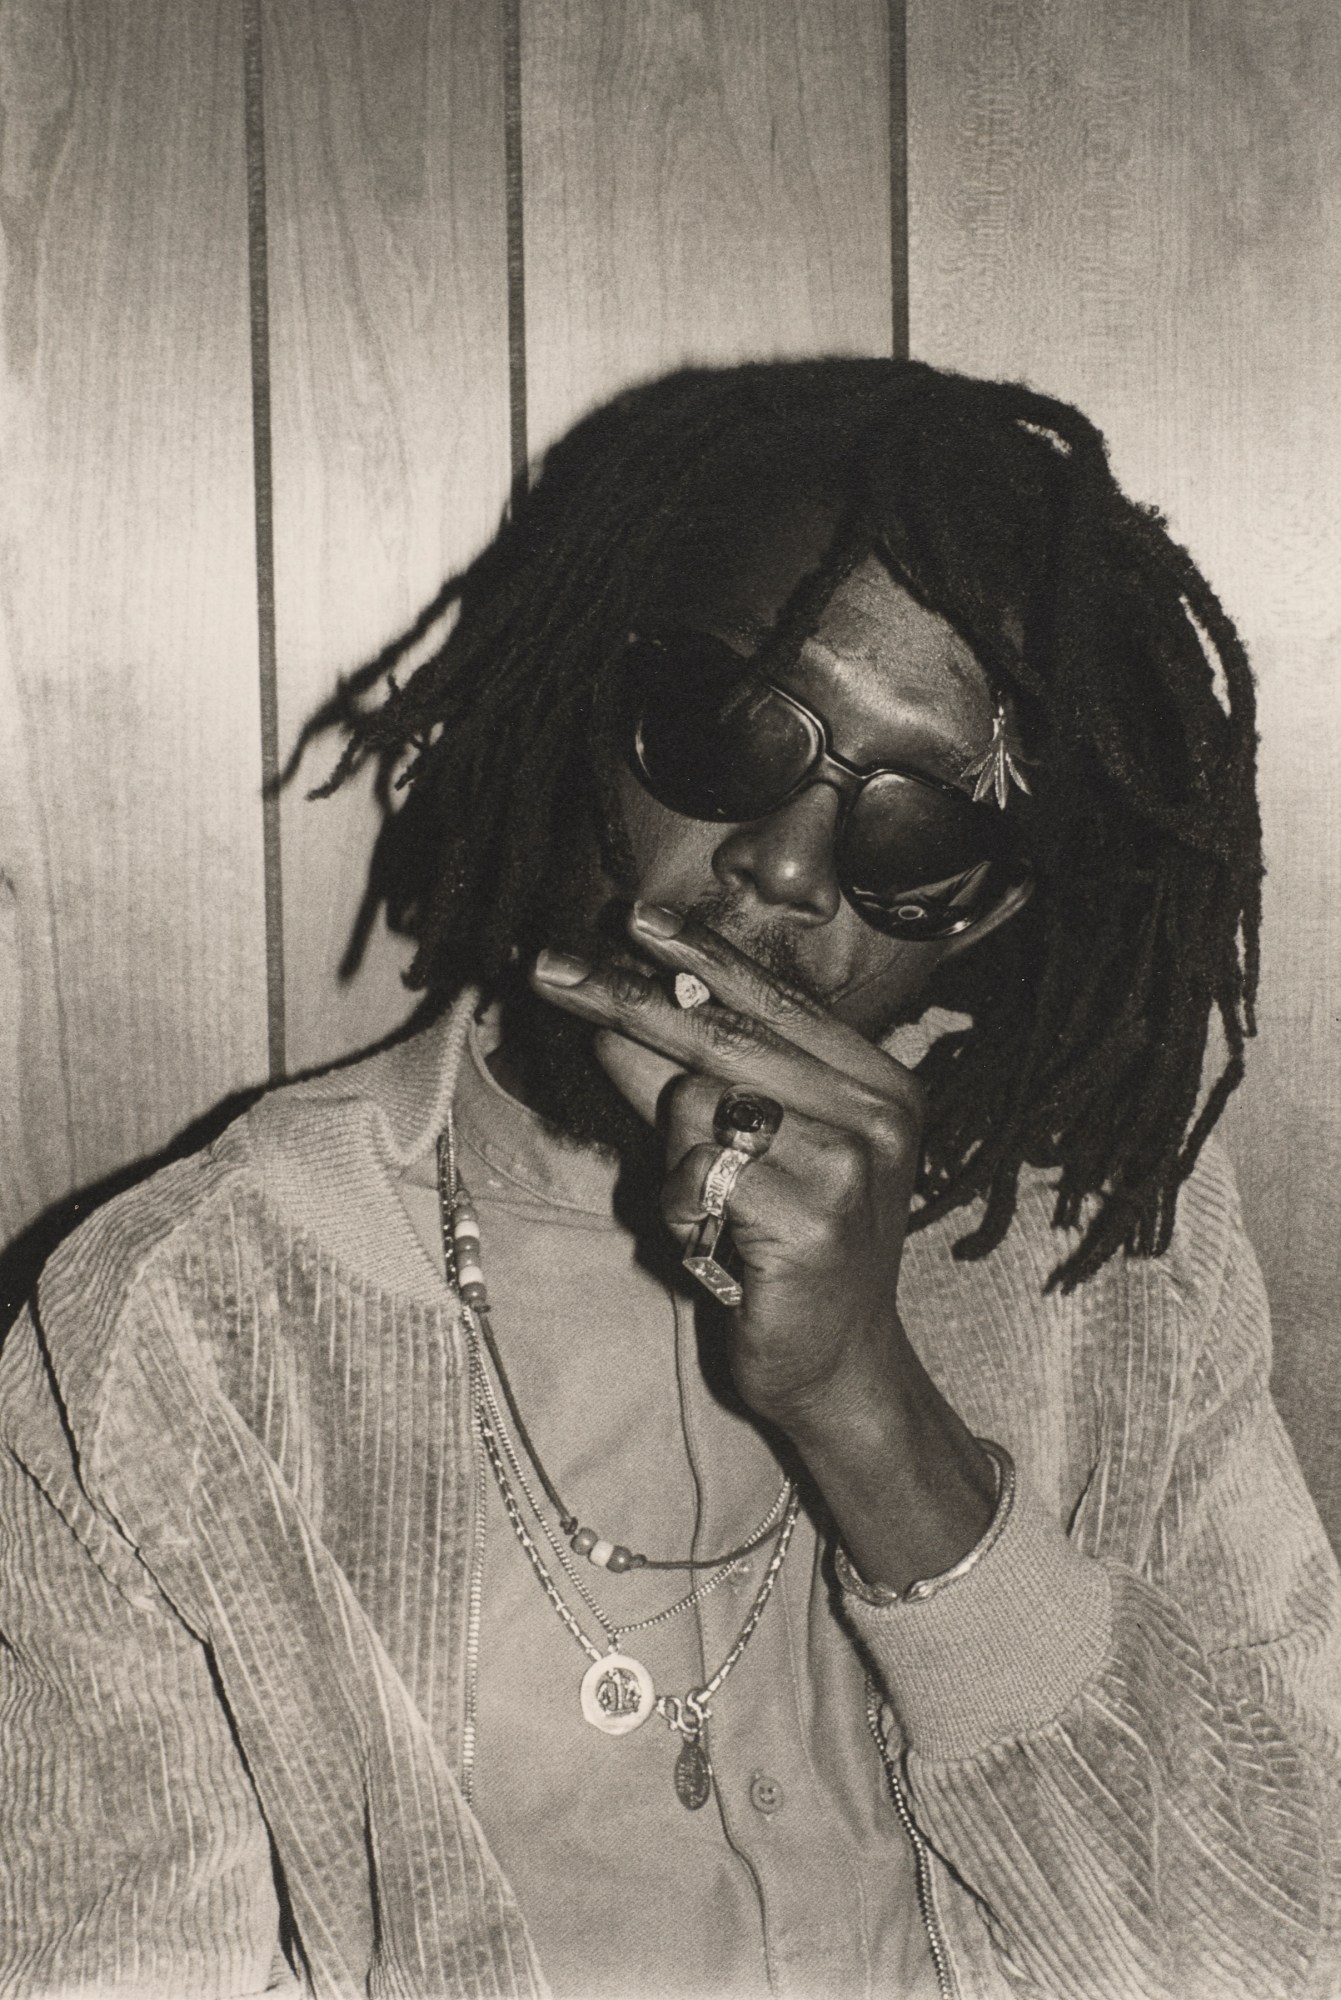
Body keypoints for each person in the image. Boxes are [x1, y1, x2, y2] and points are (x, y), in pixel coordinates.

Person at [1, 359, 1338, 2000]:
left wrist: (876, 1422)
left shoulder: (1117, 1275)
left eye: (913, 837)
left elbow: (1287, 1948)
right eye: (727, 734)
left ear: (988, 914)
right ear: (582, 706)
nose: (777, 872)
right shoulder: (192, 1322)